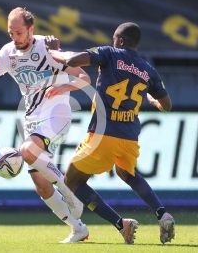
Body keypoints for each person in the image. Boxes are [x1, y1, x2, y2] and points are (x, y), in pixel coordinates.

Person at [0, 7, 90, 243]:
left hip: (57, 113)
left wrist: (64, 87)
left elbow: (84, 78)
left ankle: (68, 190)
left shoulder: (48, 48)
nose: (15, 37)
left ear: (31, 29)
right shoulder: (7, 54)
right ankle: (78, 228)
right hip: (33, 120)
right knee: (41, 185)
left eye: (19, 32)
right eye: (11, 33)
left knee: (26, 151)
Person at [47, 22, 175, 245]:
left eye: (115, 38)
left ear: (121, 41)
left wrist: (53, 51)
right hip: (129, 137)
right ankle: (162, 213)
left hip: (103, 134)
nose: (113, 41)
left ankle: (120, 224)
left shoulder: (109, 53)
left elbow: (73, 60)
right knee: (127, 174)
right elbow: (167, 105)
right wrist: (153, 100)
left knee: (71, 180)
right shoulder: (148, 70)